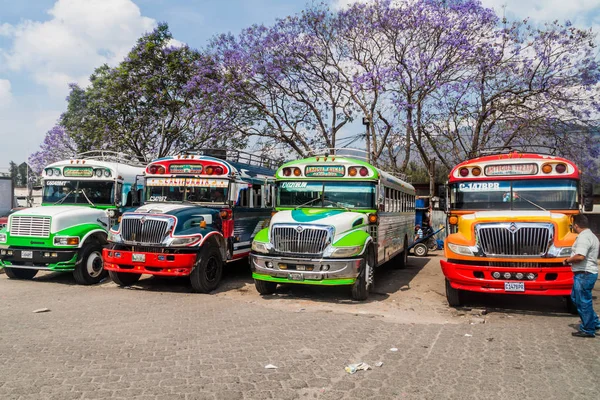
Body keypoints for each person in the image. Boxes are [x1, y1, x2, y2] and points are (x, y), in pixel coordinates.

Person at [562, 214, 600, 338]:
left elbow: (580, 256)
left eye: (573, 225)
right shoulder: (591, 235)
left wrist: (568, 260)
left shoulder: (584, 237)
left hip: (584, 274)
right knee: (576, 298)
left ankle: (588, 329)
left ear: (576, 225)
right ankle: (594, 322)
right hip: (586, 274)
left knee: (583, 301)